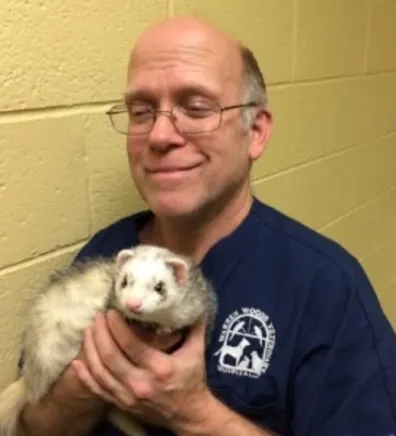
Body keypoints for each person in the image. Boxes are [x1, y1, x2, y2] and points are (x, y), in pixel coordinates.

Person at [19, 15, 396, 436]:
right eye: (141, 111)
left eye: (197, 107)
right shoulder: (104, 255)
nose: (160, 135)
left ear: (255, 132)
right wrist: (87, 385)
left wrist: (193, 413)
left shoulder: (326, 290)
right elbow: (33, 423)